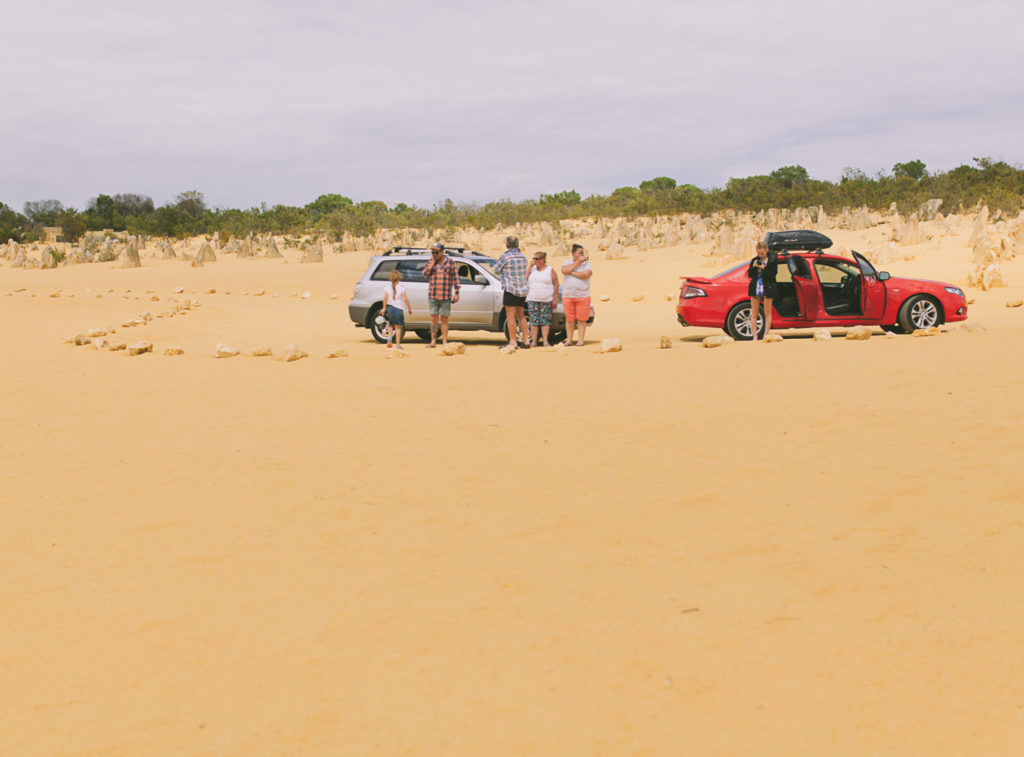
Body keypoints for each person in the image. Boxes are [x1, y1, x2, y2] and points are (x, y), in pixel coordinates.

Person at [421, 242, 460, 347]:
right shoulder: (431, 262)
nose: (434, 254)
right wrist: (431, 265)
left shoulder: (450, 263)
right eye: (433, 252)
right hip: (433, 294)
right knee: (433, 319)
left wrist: (456, 293)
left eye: (436, 252)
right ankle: (433, 340)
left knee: (444, 319)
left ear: (442, 252)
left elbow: (455, 278)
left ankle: (444, 341)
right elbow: (424, 274)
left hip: (445, 294)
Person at [494, 236, 530, 349]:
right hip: (522, 290)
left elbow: (496, 269)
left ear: (507, 245)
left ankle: (513, 341)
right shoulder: (523, 256)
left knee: (510, 317)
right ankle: (526, 340)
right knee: (521, 315)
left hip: (510, 289)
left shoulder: (506, 256)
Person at [561, 243, 592, 346]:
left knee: (582, 319)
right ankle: (569, 340)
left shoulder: (586, 265)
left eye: (582, 253)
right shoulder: (567, 262)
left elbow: (586, 274)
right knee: (569, 319)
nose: (582, 255)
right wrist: (576, 263)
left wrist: (572, 273)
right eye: (579, 253)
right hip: (568, 295)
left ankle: (580, 340)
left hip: (582, 295)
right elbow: (564, 270)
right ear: (573, 253)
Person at [525, 251, 559, 347]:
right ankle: (534, 341)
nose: (534, 260)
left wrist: (555, 298)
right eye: (533, 258)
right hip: (533, 298)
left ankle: (545, 341)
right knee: (534, 320)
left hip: (546, 299)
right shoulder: (533, 270)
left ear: (542, 260)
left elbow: (556, 283)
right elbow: (526, 279)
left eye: (536, 259)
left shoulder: (550, 270)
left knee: (545, 321)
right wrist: (529, 268)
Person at [747, 240, 778, 341]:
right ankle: (755, 335)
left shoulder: (772, 259)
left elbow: (772, 274)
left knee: (767, 313)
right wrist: (754, 267)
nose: (760, 255)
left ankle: (766, 335)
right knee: (754, 313)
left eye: (762, 253)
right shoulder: (755, 260)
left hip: (767, 287)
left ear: (766, 250)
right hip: (755, 288)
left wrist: (763, 267)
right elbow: (750, 275)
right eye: (758, 253)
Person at [382, 269, 412, 349]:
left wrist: (384, 308)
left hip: (390, 308)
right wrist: (409, 308)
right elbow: (405, 299)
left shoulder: (387, 288)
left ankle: (389, 340)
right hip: (399, 309)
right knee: (398, 327)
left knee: (391, 325)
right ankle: (398, 344)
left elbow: (385, 298)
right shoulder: (401, 288)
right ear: (399, 278)